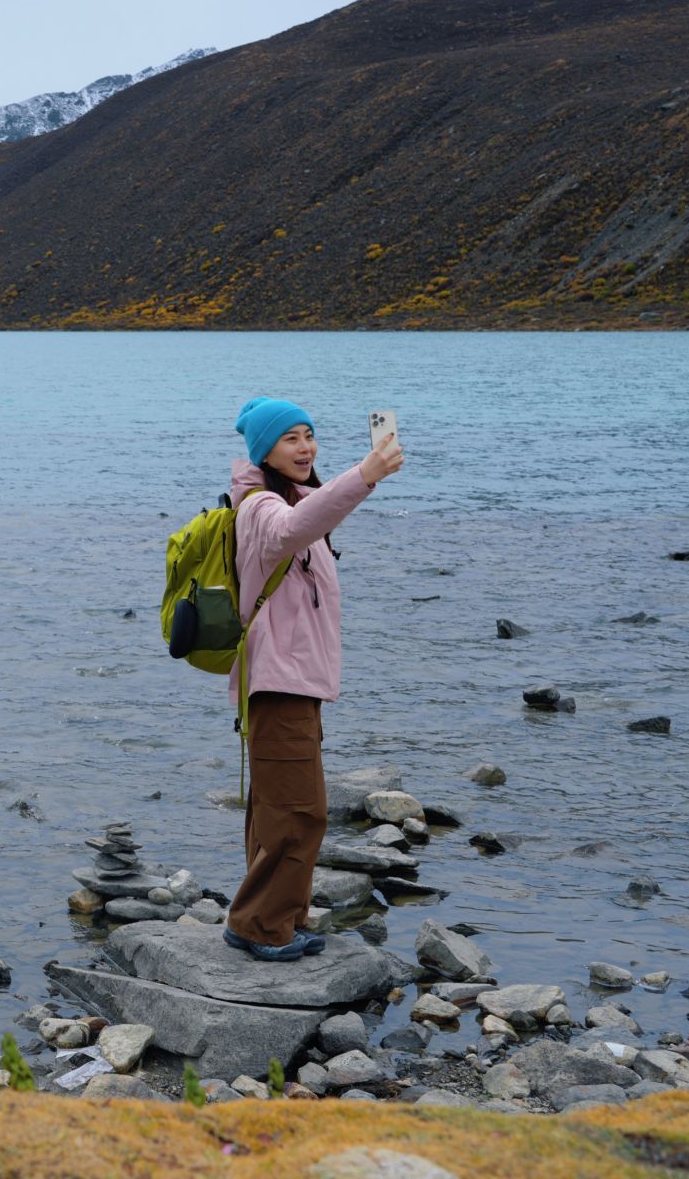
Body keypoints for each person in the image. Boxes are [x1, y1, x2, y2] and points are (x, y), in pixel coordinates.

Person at [220, 397, 403, 963]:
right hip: (279, 685)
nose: (306, 448)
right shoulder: (261, 508)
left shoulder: (292, 499)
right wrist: (364, 475)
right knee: (298, 812)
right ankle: (258, 925)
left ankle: (278, 918)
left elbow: (313, 517)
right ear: (264, 451)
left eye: (309, 435)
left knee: (280, 807)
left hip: (293, 682)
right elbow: (295, 527)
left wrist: (358, 479)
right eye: (291, 439)